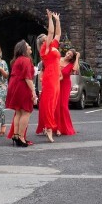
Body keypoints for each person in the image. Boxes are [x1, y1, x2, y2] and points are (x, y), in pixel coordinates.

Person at [5, 40, 37, 147]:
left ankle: (16, 135)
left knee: (18, 112)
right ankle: (21, 137)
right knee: (26, 112)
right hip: (22, 86)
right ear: (24, 49)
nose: (30, 47)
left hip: (14, 85)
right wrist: (33, 92)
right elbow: (28, 78)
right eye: (28, 46)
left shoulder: (17, 60)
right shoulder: (26, 60)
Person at [35, 9, 61, 143]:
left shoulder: (53, 46)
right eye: (46, 38)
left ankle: (48, 126)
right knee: (49, 103)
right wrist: (49, 18)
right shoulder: (45, 49)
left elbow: (57, 33)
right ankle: (49, 128)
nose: (49, 38)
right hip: (50, 76)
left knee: (54, 102)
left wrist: (57, 20)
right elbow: (51, 32)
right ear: (43, 42)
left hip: (56, 77)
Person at [55, 49, 80, 136]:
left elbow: (75, 70)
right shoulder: (58, 59)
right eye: (68, 53)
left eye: (71, 55)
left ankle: (65, 127)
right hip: (56, 83)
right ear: (66, 52)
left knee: (63, 106)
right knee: (56, 105)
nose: (69, 55)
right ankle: (57, 127)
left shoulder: (71, 64)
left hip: (65, 84)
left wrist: (77, 57)